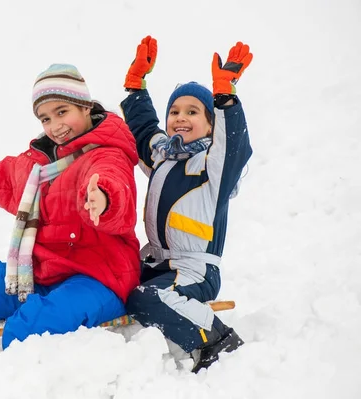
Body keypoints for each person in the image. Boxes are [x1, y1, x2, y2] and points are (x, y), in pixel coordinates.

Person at [0, 63, 141, 349]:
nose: (55, 126)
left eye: (62, 112)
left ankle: (14, 375)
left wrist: (103, 199)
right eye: (45, 118)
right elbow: (11, 175)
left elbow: (113, 183)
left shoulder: (107, 155)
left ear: (85, 107)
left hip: (99, 279)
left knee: (32, 326)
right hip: (44, 272)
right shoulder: (42, 163)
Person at [120, 36, 253, 373]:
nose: (180, 117)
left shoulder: (213, 166)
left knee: (145, 298)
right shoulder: (164, 156)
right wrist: (136, 86)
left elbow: (233, 144)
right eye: (175, 111)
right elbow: (143, 128)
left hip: (196, 269)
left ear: (210, 124)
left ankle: (216, 338)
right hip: (160, 262)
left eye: (192, 112)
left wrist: (225, 97)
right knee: (112, 275)